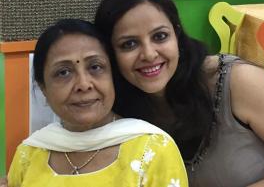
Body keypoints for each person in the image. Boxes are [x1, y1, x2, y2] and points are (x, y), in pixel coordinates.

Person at [94, 0, 264, 187]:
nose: (149, 53)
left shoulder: (239, 81)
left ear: (177, 35)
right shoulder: (118, 107)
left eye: (160, 37)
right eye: (129, 44)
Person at [7, 19, 188, 187]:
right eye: (63, 72)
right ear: (43, 88)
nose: (83, 85)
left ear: (112, 77)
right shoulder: (28, 154)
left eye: (95, 67)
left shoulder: (153, 149)